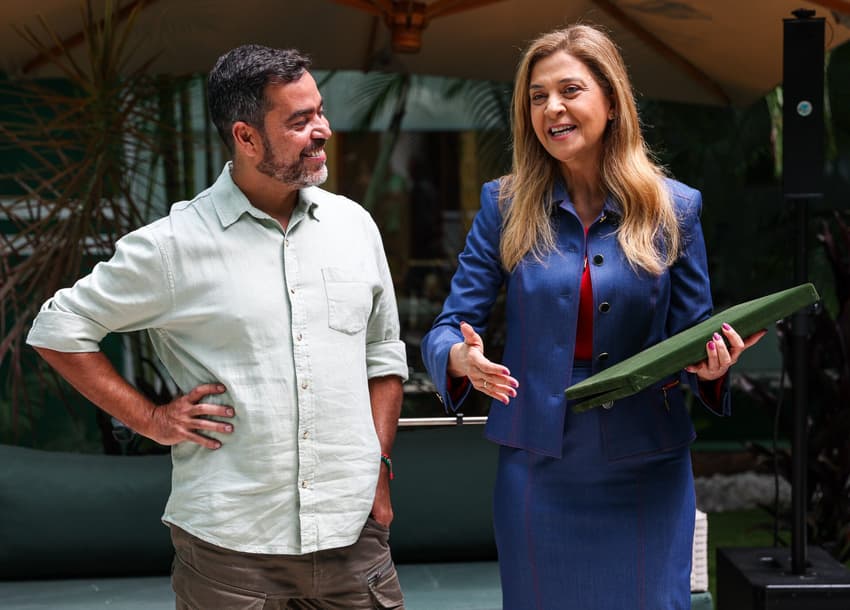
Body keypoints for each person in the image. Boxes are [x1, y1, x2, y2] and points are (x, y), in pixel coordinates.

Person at [26, 45, 408, 609]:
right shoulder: (173, 246)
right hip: (231, 551)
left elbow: (382, 355)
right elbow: (58, 329)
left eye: (320, 111)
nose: (322, 130)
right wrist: (152, 420)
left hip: (354, 544)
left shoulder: (355, 227)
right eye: (299, 121)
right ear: (246, 136)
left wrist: (377, 465)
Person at [420, 24, 765, 610]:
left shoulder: (673, 207)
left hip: (646, 470)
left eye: (569, 90)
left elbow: (692, 336)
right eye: (536, 96)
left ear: (610, 100)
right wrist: (459, 357)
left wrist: (710, 368)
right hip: (537, 467)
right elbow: (448, 326)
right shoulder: (504, 205)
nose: (551, 107)